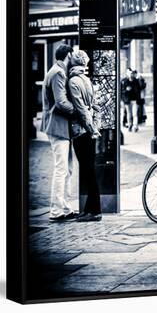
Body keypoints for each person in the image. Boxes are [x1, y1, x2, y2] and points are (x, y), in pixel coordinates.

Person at [40, 44, 77, 222]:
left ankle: (66, 208)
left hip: (61, 126)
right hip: (57, 126)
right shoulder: (58, 73)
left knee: (67, 169)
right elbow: (61, 102)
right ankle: (56, 211)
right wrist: (78, 111)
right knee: (62, 169)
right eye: (72, 55)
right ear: (68, 55)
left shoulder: (57, 71)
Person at [68, 50, 102, 222]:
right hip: (89, 130)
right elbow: (94, 105)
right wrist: (95, 126)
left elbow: (81, 109)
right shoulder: (86, 80)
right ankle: (90, 209)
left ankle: (95, 211)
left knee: (88, 171)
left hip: (82, 131)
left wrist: (90, 128)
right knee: (89, 170)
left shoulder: (73, 81)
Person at [120, 67, 140, 132]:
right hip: (127, 100)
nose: (131, 75)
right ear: (127, 74)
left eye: (132, 73)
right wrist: (126, 90)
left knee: (134, 114)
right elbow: (121, 91)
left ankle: (135, 126)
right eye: (130, 73)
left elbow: (138, 90)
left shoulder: (136, 81)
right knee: (129, 113)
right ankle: (130, 125)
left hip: (134, 100)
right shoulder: (124, 81)